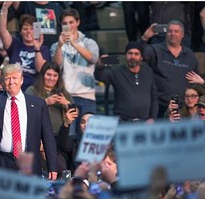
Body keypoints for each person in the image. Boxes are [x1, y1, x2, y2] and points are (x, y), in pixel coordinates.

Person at [51, 7, 99, 136]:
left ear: (78, 22)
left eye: (71, 22)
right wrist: (60, 46)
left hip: (87, 96)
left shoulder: (89, 42)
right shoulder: (56, 46)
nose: (68, 26)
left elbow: (93, 59)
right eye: (65, 23)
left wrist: (74, 44)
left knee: (88, 137)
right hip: (66, 97)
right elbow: (56, 66)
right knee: (69, 138)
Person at [140, 19, 199, 118]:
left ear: (182, 35)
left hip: (183, 109)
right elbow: (137, 56)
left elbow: (195, 85)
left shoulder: (190, 56)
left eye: (176, 31)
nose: (173, 34)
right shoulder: (155, 50)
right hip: (158, 107)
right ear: (166, 33)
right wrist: (144, 38)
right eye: (170, 31)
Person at [95, 41, 158, 123]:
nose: (132, 57)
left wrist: (152, 118)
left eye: (136, 54)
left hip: (144, 123)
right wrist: (100, 67)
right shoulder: (116, 71)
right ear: (126, 55)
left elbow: (154, 96)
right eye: (130, 53)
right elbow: (101, 77)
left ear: (141, 57)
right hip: (123, 122)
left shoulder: (148, 71)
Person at [0, 1, 51, 91]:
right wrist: (5, 8)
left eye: (32, 28)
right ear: (20, 32)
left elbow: (40, 69)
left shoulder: (44, 49)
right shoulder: (14, 45)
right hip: (14, 89)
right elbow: (2, 30)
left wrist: (37, 49)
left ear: (36, 31)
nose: (28, 31)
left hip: (34, 91)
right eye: (25, 28)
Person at [25, 61, 72, 138]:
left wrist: (67, 104)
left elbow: (75, 112)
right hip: (38, 134)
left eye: (55, 75)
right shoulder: (32, 90)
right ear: (43, 75)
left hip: (60, 134)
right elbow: (26, 110)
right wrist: (45, 103)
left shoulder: (63, 92)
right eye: (49, 75)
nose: (51, 78)